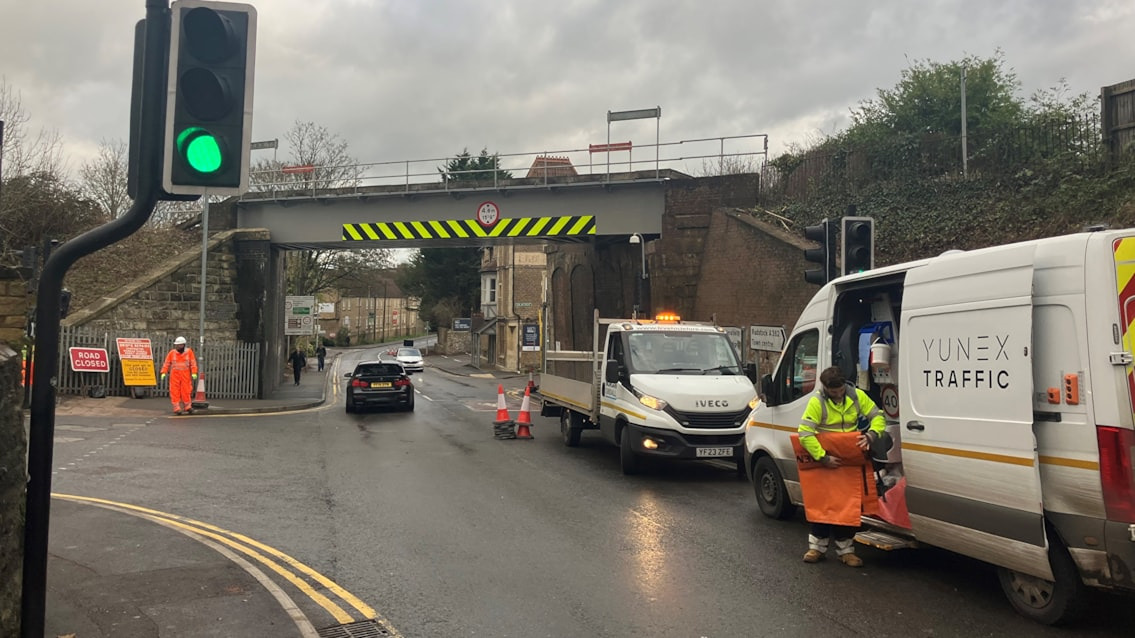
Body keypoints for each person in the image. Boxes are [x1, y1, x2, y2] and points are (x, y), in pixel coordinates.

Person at [796, 366, 886, 567]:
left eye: (840, 390)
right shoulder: (817, 402)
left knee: (847, 505)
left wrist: (871, 435)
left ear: (844, 384)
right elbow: (805, 433)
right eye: (833, 392)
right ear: (825, 388)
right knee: (823, 505)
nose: (838, 395)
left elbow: (878, 416)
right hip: (826, 460)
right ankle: (816, 548)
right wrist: (823, 457)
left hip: (848, 458)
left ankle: (846, 551)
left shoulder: (856, 396)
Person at [160, 336, 198, 415]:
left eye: (179, 345)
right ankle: (177, 408)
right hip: (175, 374)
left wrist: (194, 372)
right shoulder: (172, 353)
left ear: (183, 345)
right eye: (177, 345)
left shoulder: (189, 352)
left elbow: (193, 363)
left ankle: (188, 407)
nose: (178, 346)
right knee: (174, 391)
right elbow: (167, 363)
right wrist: (163, 372)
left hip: (185, 374)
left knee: (186, 390)